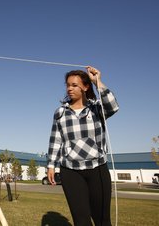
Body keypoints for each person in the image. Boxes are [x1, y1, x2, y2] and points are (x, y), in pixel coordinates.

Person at [47, 66, 119, 226]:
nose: (69, 88)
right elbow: (55, 139)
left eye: (74, 85)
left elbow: (113, 106)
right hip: (70, 171)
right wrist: (51, 165)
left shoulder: (96, 108)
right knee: (81, 221)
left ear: (85, 87)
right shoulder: (60, 112)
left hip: (97, 168)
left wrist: (97, 82)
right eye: (68, 85)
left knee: (102, 220)